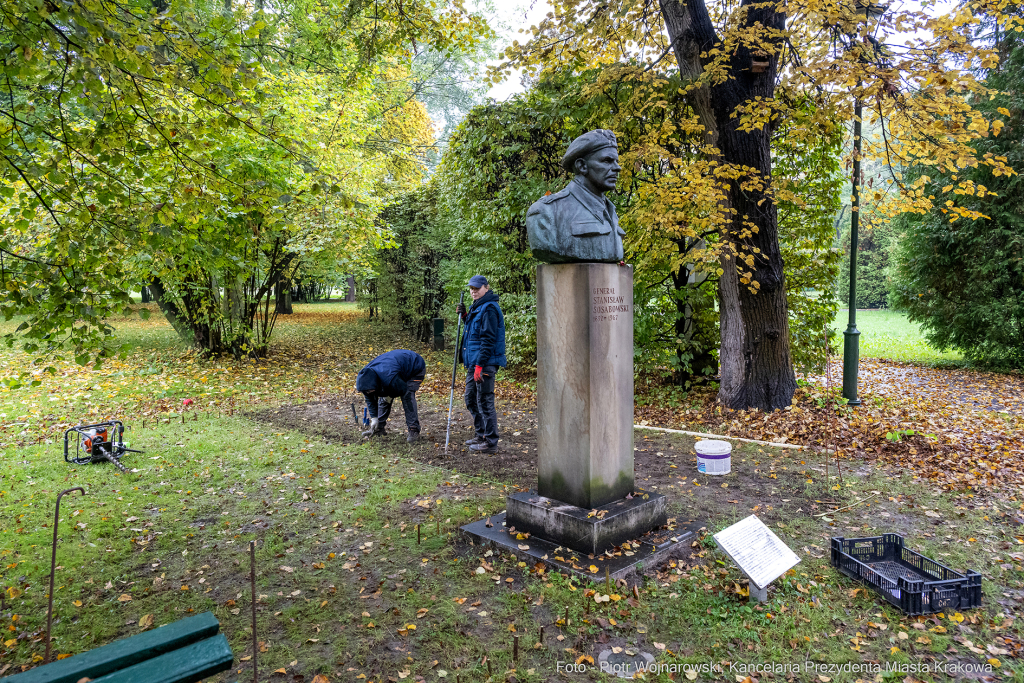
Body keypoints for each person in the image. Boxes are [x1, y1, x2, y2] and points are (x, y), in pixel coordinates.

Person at [525, 129, 624, 264]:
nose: (617, 168)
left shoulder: (611, 212)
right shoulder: (546, 212)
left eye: (616, 161)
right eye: (607, 161)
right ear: (582, 166)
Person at [456, 275, 506, 453]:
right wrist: (464, 316)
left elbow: (488, 340)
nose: (473, 291)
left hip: (485, 362)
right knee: (470, 398)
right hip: (474, 362)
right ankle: (481, 433)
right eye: (471, 288)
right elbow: (474, 334)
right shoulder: (478, 306)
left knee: (484, 401)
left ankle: (490, 442)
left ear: (486, 287)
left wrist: (480, 365)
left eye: (477, 288)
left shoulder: (490, 308)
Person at [355, 349, 426, 443]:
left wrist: (389, 394)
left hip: (414, 365)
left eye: (369, 391)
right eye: (366, 392)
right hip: (396, 368)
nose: (368, 393)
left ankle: (414, 430)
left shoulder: (389, 378)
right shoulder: (365, 378)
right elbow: (370, 399)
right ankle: (378, 428)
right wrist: (374, 419)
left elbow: (404, 392)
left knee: (406, 396)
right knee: (385, 398)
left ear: (375, 384)